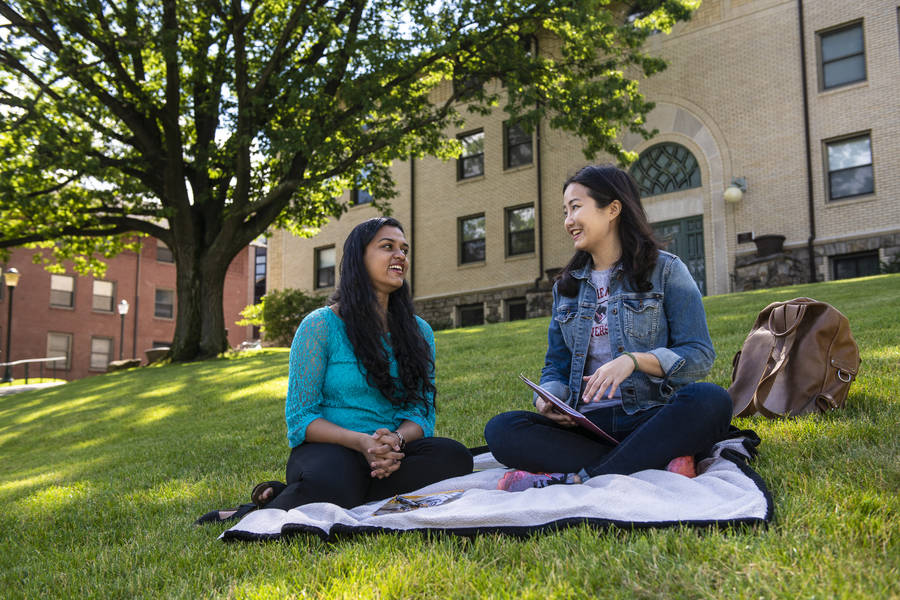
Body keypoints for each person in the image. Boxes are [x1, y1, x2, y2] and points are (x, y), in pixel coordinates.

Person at [197, 217, 472, 523]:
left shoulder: (420, 331)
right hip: (331, 449)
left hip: (391, 452)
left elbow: (421, 412)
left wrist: (394, 441)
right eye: (387, 247)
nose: (400, 256)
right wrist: (361, 443)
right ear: (359, 258)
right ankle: (262, 508)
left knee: (455, 457)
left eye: (404, 249)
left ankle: (303, 493)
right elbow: (302, 417)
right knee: (336, 480)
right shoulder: (319, 326)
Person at [483, 165, 732, 491]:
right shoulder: (566, 287)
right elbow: (555, 366)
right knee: (501, 429)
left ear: (613, 209)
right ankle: (652, 459)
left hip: (651, 415)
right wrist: (549, 399)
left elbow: (699, 355)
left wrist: (634, 360)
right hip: (588, 426)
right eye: (565, 211)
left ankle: (583, 477)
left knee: (710, 400)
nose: (568, 221)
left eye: (575, 207)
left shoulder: (667, 271)